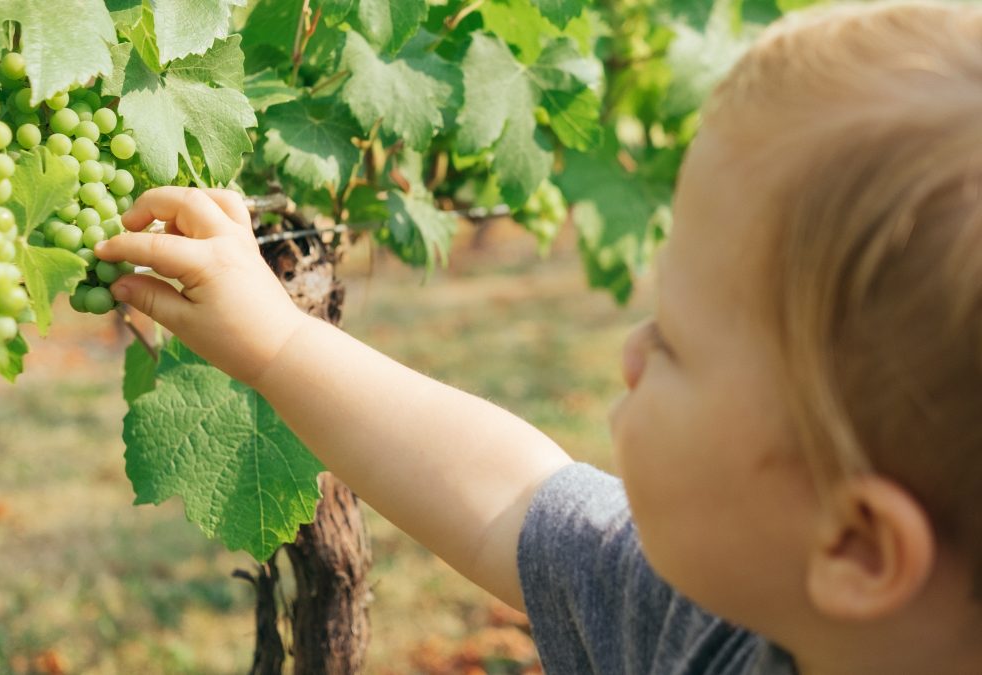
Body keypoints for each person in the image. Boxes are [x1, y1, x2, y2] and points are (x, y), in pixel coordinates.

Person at [94, 2, 982, 672]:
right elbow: (509, 493)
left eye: (673, 341)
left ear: (860, 547)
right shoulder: (729, 609)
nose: (631, 352)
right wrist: (277, 344)